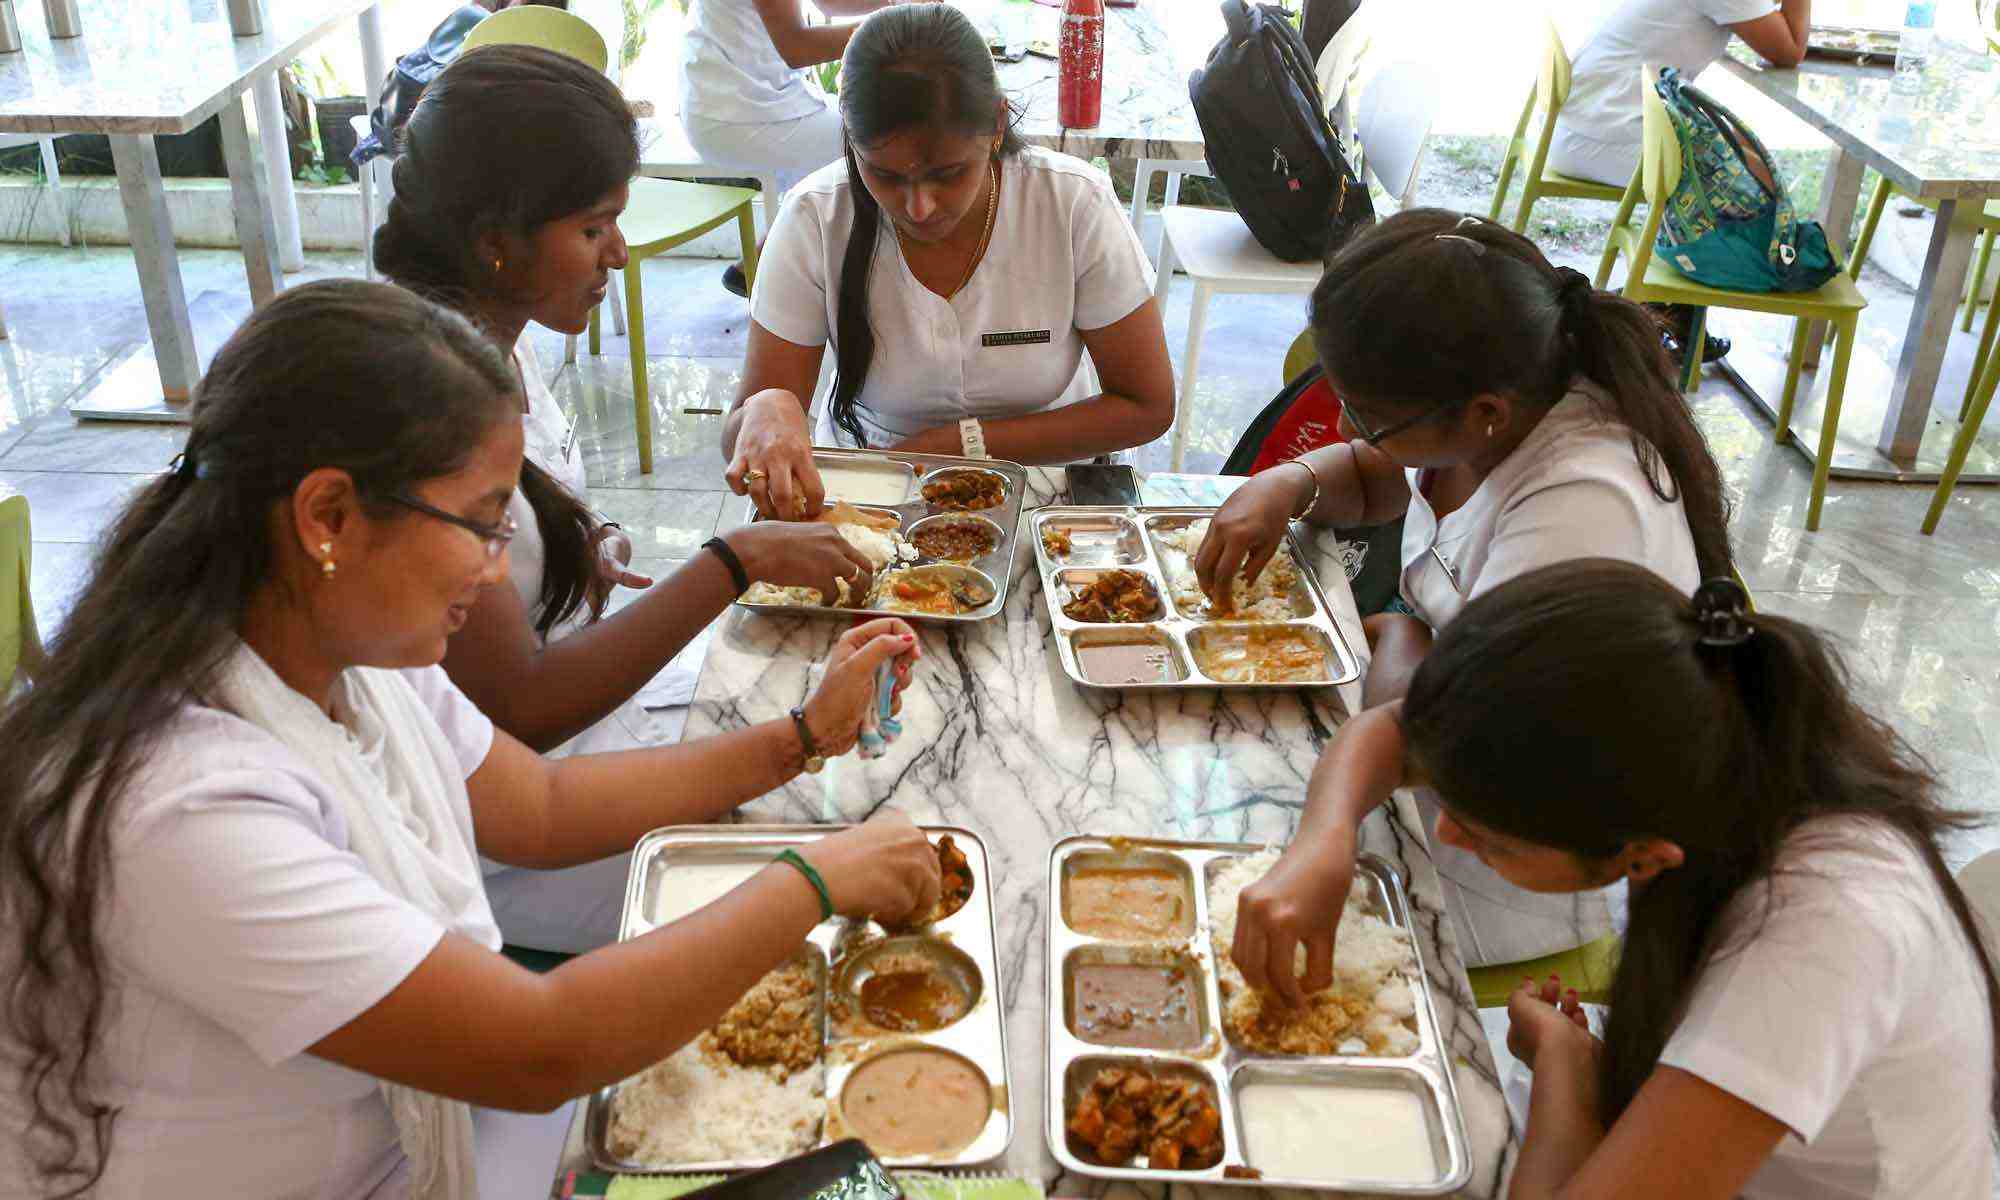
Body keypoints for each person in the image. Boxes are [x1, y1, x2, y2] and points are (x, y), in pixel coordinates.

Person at [0, 280, 939, 1200]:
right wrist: (813, 880)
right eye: (484, 526)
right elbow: (537, 1048)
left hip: (404, 1136)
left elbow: (540, 807)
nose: (498, 572)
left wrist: (803, 735)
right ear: (328, 518)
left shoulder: (350, 651)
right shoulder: (176, 807)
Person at [1237, 560, 1997, 1199]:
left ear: (1642, 857)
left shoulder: (1818, 940)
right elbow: (1394, 731)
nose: (1446, 833)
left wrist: (1567, 1072)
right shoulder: (1684, 758)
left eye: (1485, 837)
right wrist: (1323, 841)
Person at [377, 45, 880, 953]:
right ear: (495, 239)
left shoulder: (495, 335)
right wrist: (732, 563)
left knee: (824, 712)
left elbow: (530, 516)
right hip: (500, 827)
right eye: (592, 228)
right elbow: (520, 708)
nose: (618, 252)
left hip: (573, 740)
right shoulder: (419, 404)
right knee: (828, 867)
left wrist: (580, 542)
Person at [1195, 209, 1732, 964]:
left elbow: (1448, 732)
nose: (1345, 428)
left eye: (1369, 418)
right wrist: (1289, 483)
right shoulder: (1498, 405)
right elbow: (1378, 473)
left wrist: (1402, 637)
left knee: (1231, 866)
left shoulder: (1586, 505)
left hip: (1513, 847)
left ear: (1483, 415)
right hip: (1427, 733)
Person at [722, 4, 1175, 520]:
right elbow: (740, 435)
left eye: (948, 173)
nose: (919, 207)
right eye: (886, 176)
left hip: (1050, 480)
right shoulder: (814, 217)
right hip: (876, 484)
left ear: (997, 125)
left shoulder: (1072, 203)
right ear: (850, 139)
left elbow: (1147, 404)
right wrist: (765, 412)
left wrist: (960, 446)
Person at [1549, 0, 1813, 362]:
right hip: (1600, 138)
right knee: (1742, 180)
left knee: (1734, 161)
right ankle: (1665, 311)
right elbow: (1788, 51)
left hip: (1588, 123)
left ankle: (1665, 307)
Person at [681, 0, 911, 297]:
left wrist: (897, 4)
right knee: (877, 142)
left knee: (865, 134)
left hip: (740, 101)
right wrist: (896, 28)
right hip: (735, 113)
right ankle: (777, 271)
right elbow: (798, 47)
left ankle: (758, 265)